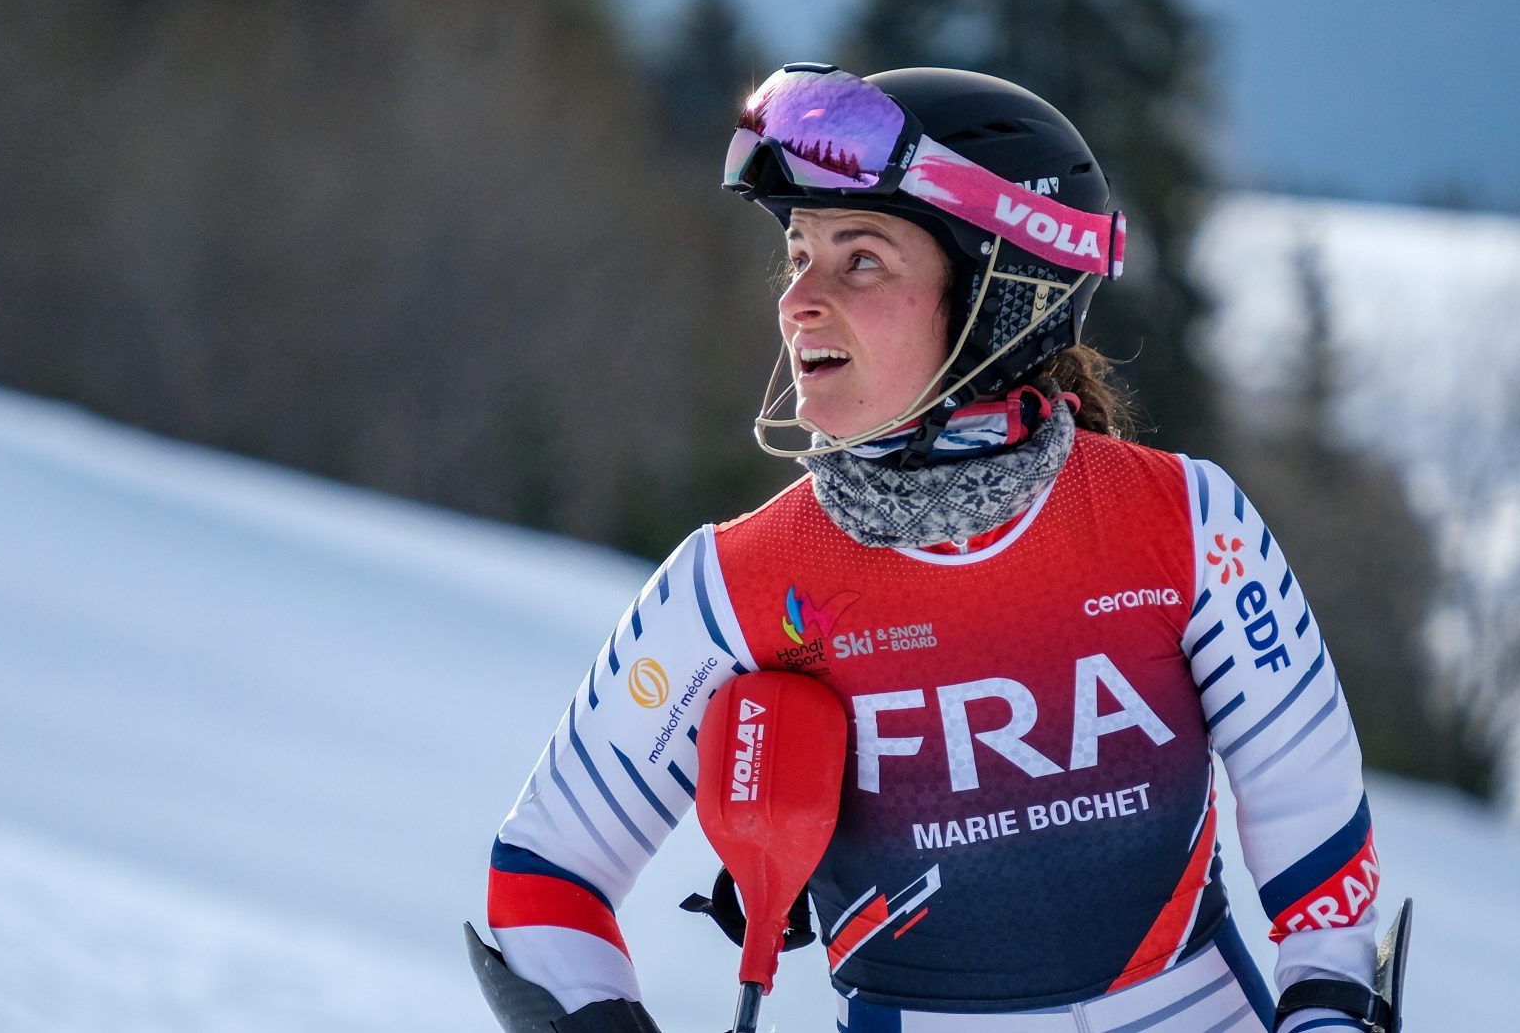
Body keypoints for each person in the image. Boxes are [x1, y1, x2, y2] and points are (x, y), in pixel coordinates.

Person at [472, 66, 1387, 1033]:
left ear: (1003, 294)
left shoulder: (1186, 525)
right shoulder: (740, 584)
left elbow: (1321, 867)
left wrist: (1328, 1011)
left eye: (859, 260)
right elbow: (544, 881)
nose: (799, 302)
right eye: (798, 257)